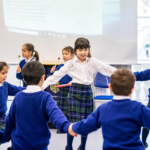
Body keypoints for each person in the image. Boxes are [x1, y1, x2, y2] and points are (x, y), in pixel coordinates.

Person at [42, 37, 117, 150]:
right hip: (74, 92)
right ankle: (69, 146)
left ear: (88, 50)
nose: (83, 52)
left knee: (86, 122)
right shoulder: (70, 63)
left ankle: (82, 146)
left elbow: (106, 68)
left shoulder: (92, 61)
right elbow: (57, 75)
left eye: (85, 49)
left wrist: (121, 73)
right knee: (72, 122)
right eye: (80, 50)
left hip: (87, 92)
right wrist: (43, 86)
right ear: (75, 51)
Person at [0, 61, 77, 150]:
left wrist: (4, 137)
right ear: (43, 78)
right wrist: (66, 126)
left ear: (24, 79)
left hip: (18, 145)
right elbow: (55, 113)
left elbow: (10, 121)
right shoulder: (45, 97)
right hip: (39, 146)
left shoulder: (18, 97)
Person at [69, 69, 150, 150]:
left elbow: (86, 126)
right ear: (132, 89)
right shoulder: (139, 108)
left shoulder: (103, 109)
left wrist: (72, 127)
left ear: (110, 87)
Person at [0, 61, 25, 150]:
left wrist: (29, 89)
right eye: (3, 73)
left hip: (3, 117)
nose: (6, 75)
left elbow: (17, 89)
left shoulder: (5, 85)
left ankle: (13, 148)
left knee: (13, 133)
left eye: (6, 73)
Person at [50, 46, 74, 133]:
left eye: (66, 54)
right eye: (63, 54)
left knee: (71, 109)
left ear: (72, 55)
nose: (64, 55)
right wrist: (52, 72)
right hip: (62, 90)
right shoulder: (60, 66)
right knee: (62, 109)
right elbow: (55, 77)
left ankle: (71, 127)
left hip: (72, 89)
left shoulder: (74, 65)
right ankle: (62, 126)